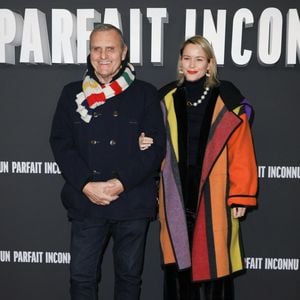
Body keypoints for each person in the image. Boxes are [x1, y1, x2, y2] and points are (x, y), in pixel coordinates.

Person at [49, 24, 165, 300]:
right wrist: (87, 184)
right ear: (89, 53)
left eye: (110, 48)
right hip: (87, 202)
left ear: (123, 52)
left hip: (131, 200)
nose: (103, 55)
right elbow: (61, 144)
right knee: (81, 279)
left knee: (128, 279)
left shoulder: (146, 93)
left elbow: (155, 148)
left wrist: (120, 183)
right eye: (96, 49)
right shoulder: (71, 93)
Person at [139, 35, 258, 300]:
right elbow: (152, 137)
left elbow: (242, 150)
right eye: (187, 58)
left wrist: (241, 194)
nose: (192, 64)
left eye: (199, 59)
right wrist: (143, 139)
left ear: (209, 64)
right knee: (178, 261)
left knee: (215, 261)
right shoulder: (165, 97)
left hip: (216, 189)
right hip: (176, 189)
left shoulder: (227, 98)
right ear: (180, 63)